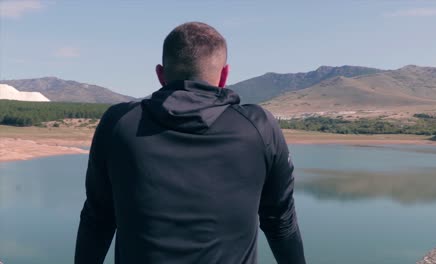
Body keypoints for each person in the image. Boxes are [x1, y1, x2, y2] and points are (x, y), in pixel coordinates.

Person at [75, 22, 305, 264]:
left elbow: (97, 219)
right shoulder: (259, 128)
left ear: (160, 74)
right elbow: (280, 222)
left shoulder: (118, 124)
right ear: (224, 75)